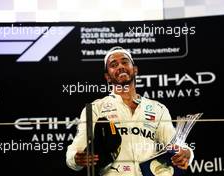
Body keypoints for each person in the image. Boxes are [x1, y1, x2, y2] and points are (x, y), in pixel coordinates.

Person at [66, 46, 193, 175]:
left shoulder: (158, 109)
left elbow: (174, 145)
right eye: (114, 65)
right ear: (107, 77)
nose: (120, 66)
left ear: (135, 70)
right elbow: (76, 150)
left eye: (125, 62)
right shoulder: (95, 109)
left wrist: (186, 153)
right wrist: (76, 158)